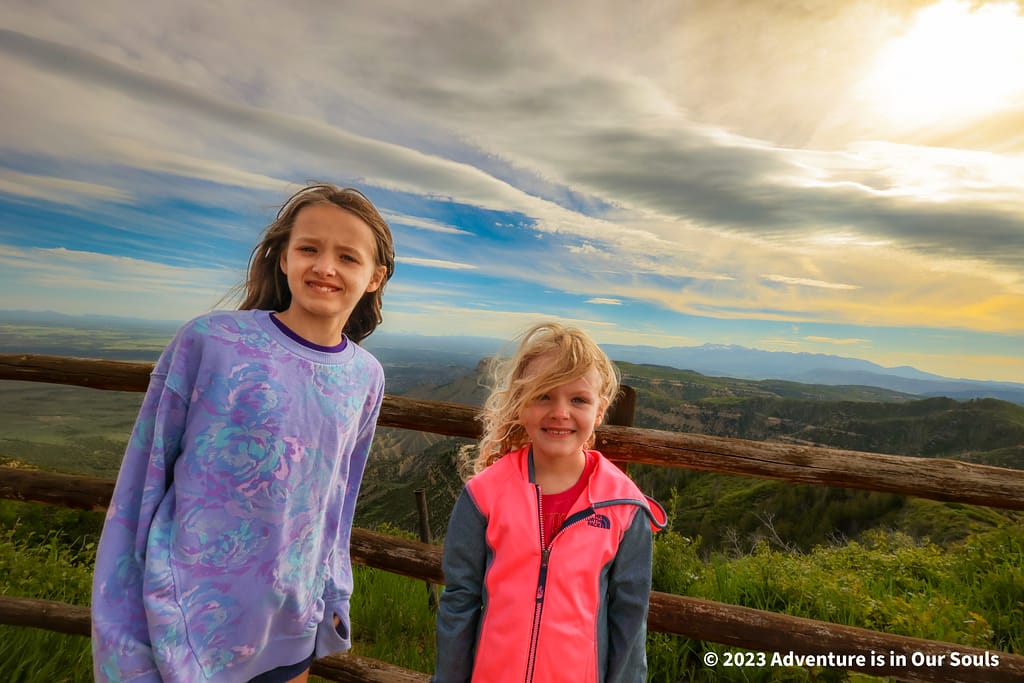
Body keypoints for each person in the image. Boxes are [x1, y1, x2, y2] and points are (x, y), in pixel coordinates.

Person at [91, 183, 396, 683]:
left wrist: (333, 594)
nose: (325, 267)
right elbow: (139, 488)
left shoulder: (367, 375)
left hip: (291, 623)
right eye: (308, 249)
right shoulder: (210, 341)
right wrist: (120, 635)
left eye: (347, 256)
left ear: (374, 278)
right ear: (282, 258)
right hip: (187, 624)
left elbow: (339, 499)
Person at [432, 322, 667, 683]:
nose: (560, 412)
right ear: (521, 405)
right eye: (544, 396)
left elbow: (630, 621)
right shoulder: (484, 496)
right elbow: (460, 601)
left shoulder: (623, 509)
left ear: (599, 411)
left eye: (578, 400)